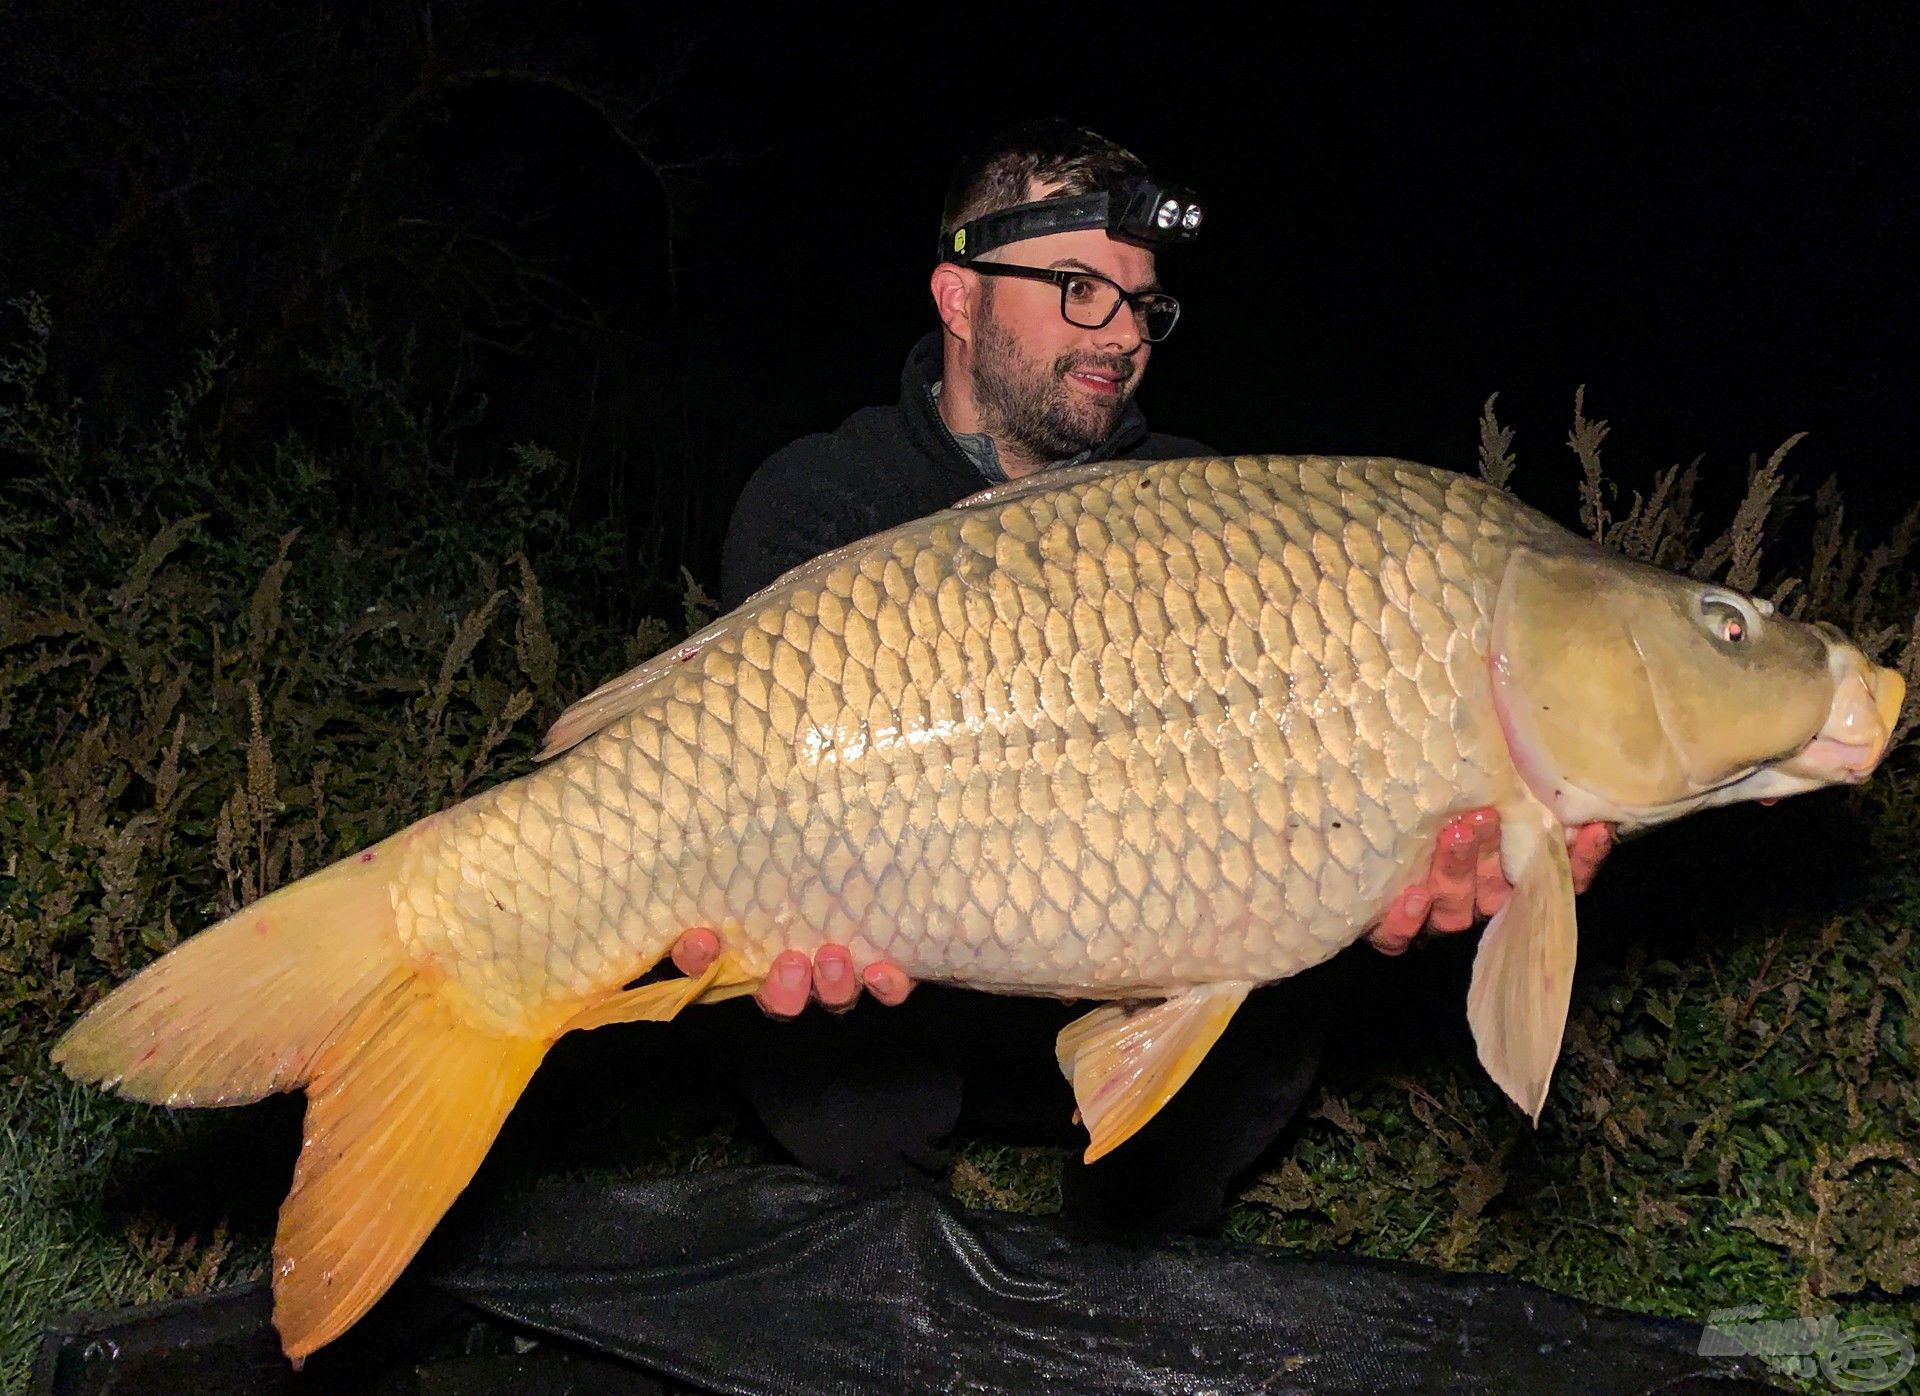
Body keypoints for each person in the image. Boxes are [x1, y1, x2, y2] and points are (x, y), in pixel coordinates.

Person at [676, 121, 1612, 1234]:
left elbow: (1309, 784)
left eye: (1142, 304)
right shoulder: (822, 500)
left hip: (1133, 959)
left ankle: (1136, 1238)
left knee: (1275, 1000)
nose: (1122, 333)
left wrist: (1408, 850)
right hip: (910, 1004)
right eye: (1078, 288)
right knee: (797, 1035)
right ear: (959, 297)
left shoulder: (1205, 509)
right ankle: (884, 1257)